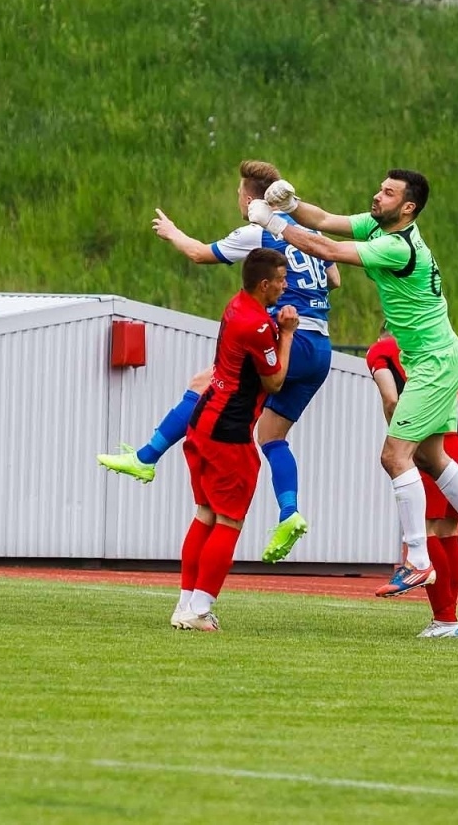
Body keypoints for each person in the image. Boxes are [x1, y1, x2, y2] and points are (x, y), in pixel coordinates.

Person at [247, 170, 458, 598]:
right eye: (380, 188)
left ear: (407, 207)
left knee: (394, 456)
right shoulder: (379, 226)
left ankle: (417, 560)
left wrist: (272, 221)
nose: (377, 195)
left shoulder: (395, 247)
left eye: (388, 193)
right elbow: (326, 221)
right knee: (430, 456)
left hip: (434, 362)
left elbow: (326, 247)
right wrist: (292, 205)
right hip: (434, 357)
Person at [98, 159, 338, 563]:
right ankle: (289, 512)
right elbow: (335, 279)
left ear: (249, 198)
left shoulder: (256, 232)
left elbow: (197, 254)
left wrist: (172, 232)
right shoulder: (307, 229)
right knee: (273, 437)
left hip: (289, 337)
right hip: (321, 348)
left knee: (202, 383)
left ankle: (146, 458)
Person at [172, 247, 298, 632]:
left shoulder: (237, 306)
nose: (285, 285)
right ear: (264, 284)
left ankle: (184, 605)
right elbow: (274, 381)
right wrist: (287, 334)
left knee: (205, 515)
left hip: (204, 420)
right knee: (230, 521)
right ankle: (199, 609)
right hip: (230, 430)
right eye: (281, 279)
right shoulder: (258, 326)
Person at [367, 331, 458, 638]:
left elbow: (391, 399)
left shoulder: (381, 350)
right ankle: (449, 617)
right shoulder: (435, 342)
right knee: (447, 529)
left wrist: (400, 442)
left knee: (427, 528)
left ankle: (445, 620)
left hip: (433, 440)